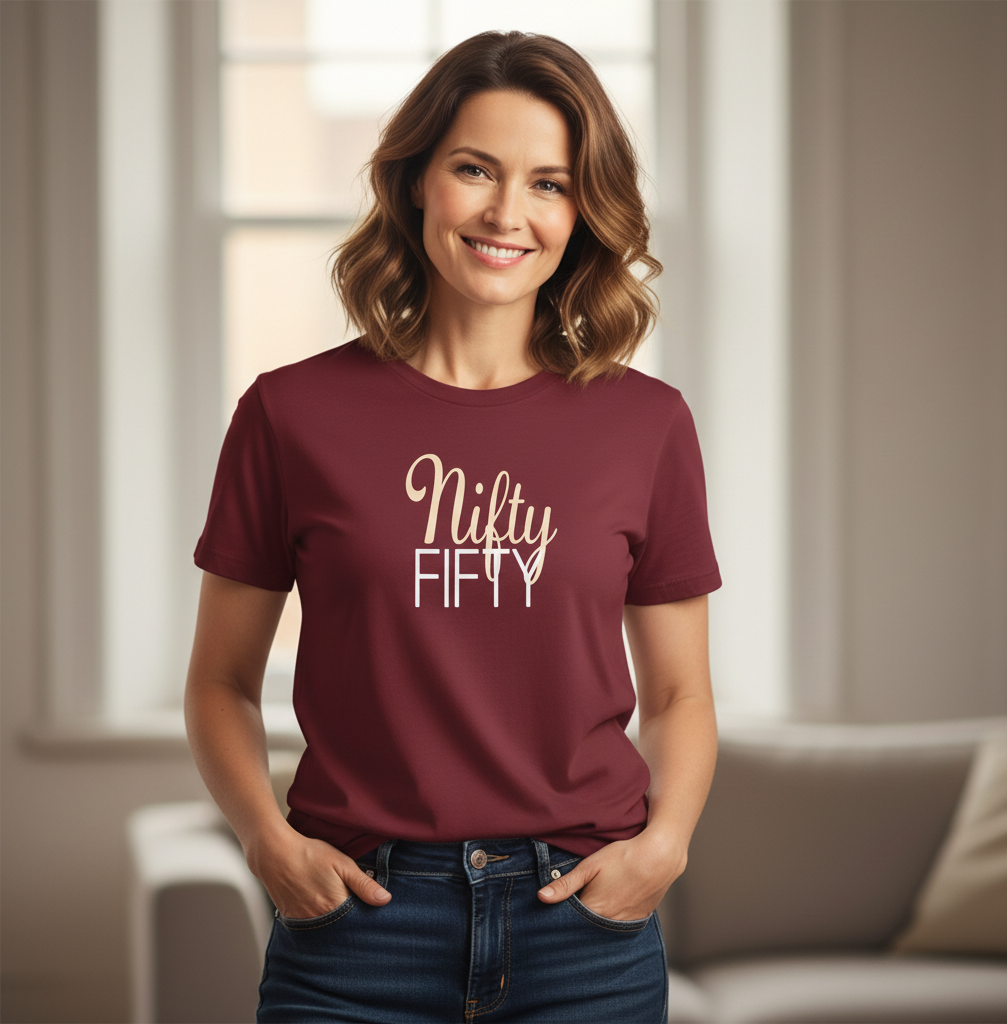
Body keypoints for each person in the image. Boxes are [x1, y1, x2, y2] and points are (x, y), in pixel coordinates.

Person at [185, 29, 721, 1024]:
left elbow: (682, 690)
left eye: (549, 183)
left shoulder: (645, 425)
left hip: (582, 927)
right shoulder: (290, 415)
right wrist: (264, 836)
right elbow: (219, 678)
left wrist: (666, 843)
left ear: (581, 211)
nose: (507, 212)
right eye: (474, 168)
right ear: (417, 182)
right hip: (356, 922)